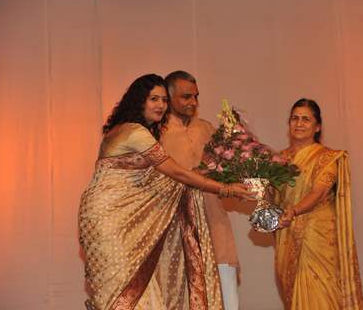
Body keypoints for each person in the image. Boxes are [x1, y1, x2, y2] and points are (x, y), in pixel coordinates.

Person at [78, 74, 251, 310]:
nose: (160, 105)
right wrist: (226, 188)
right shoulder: (134, 133)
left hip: (120, 219)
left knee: (141, 289)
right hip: (110, 219)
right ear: (140, 101)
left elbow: (161, 179)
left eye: (163, 100)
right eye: (153, 99)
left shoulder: (138, 132)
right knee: (123, 291)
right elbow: (176, 174)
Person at [275, 98, 363, 310]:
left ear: (317, 127)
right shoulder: (278, 159)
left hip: (318, 238)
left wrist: (295, 210)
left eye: (306, 119)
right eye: (295, 118)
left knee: (322, 295)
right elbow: (272, 196)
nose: (299, 123)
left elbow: (319, 192)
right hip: (287, 235)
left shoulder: (328, 158)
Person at [160, 70, 240, 310]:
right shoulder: (157, 133)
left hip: (214, 218)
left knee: (226, 287)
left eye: (195, 96)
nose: (193, 102)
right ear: (169, 97)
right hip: (178, 224)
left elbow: (226, 167)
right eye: (186, 97)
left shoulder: (207, 129)